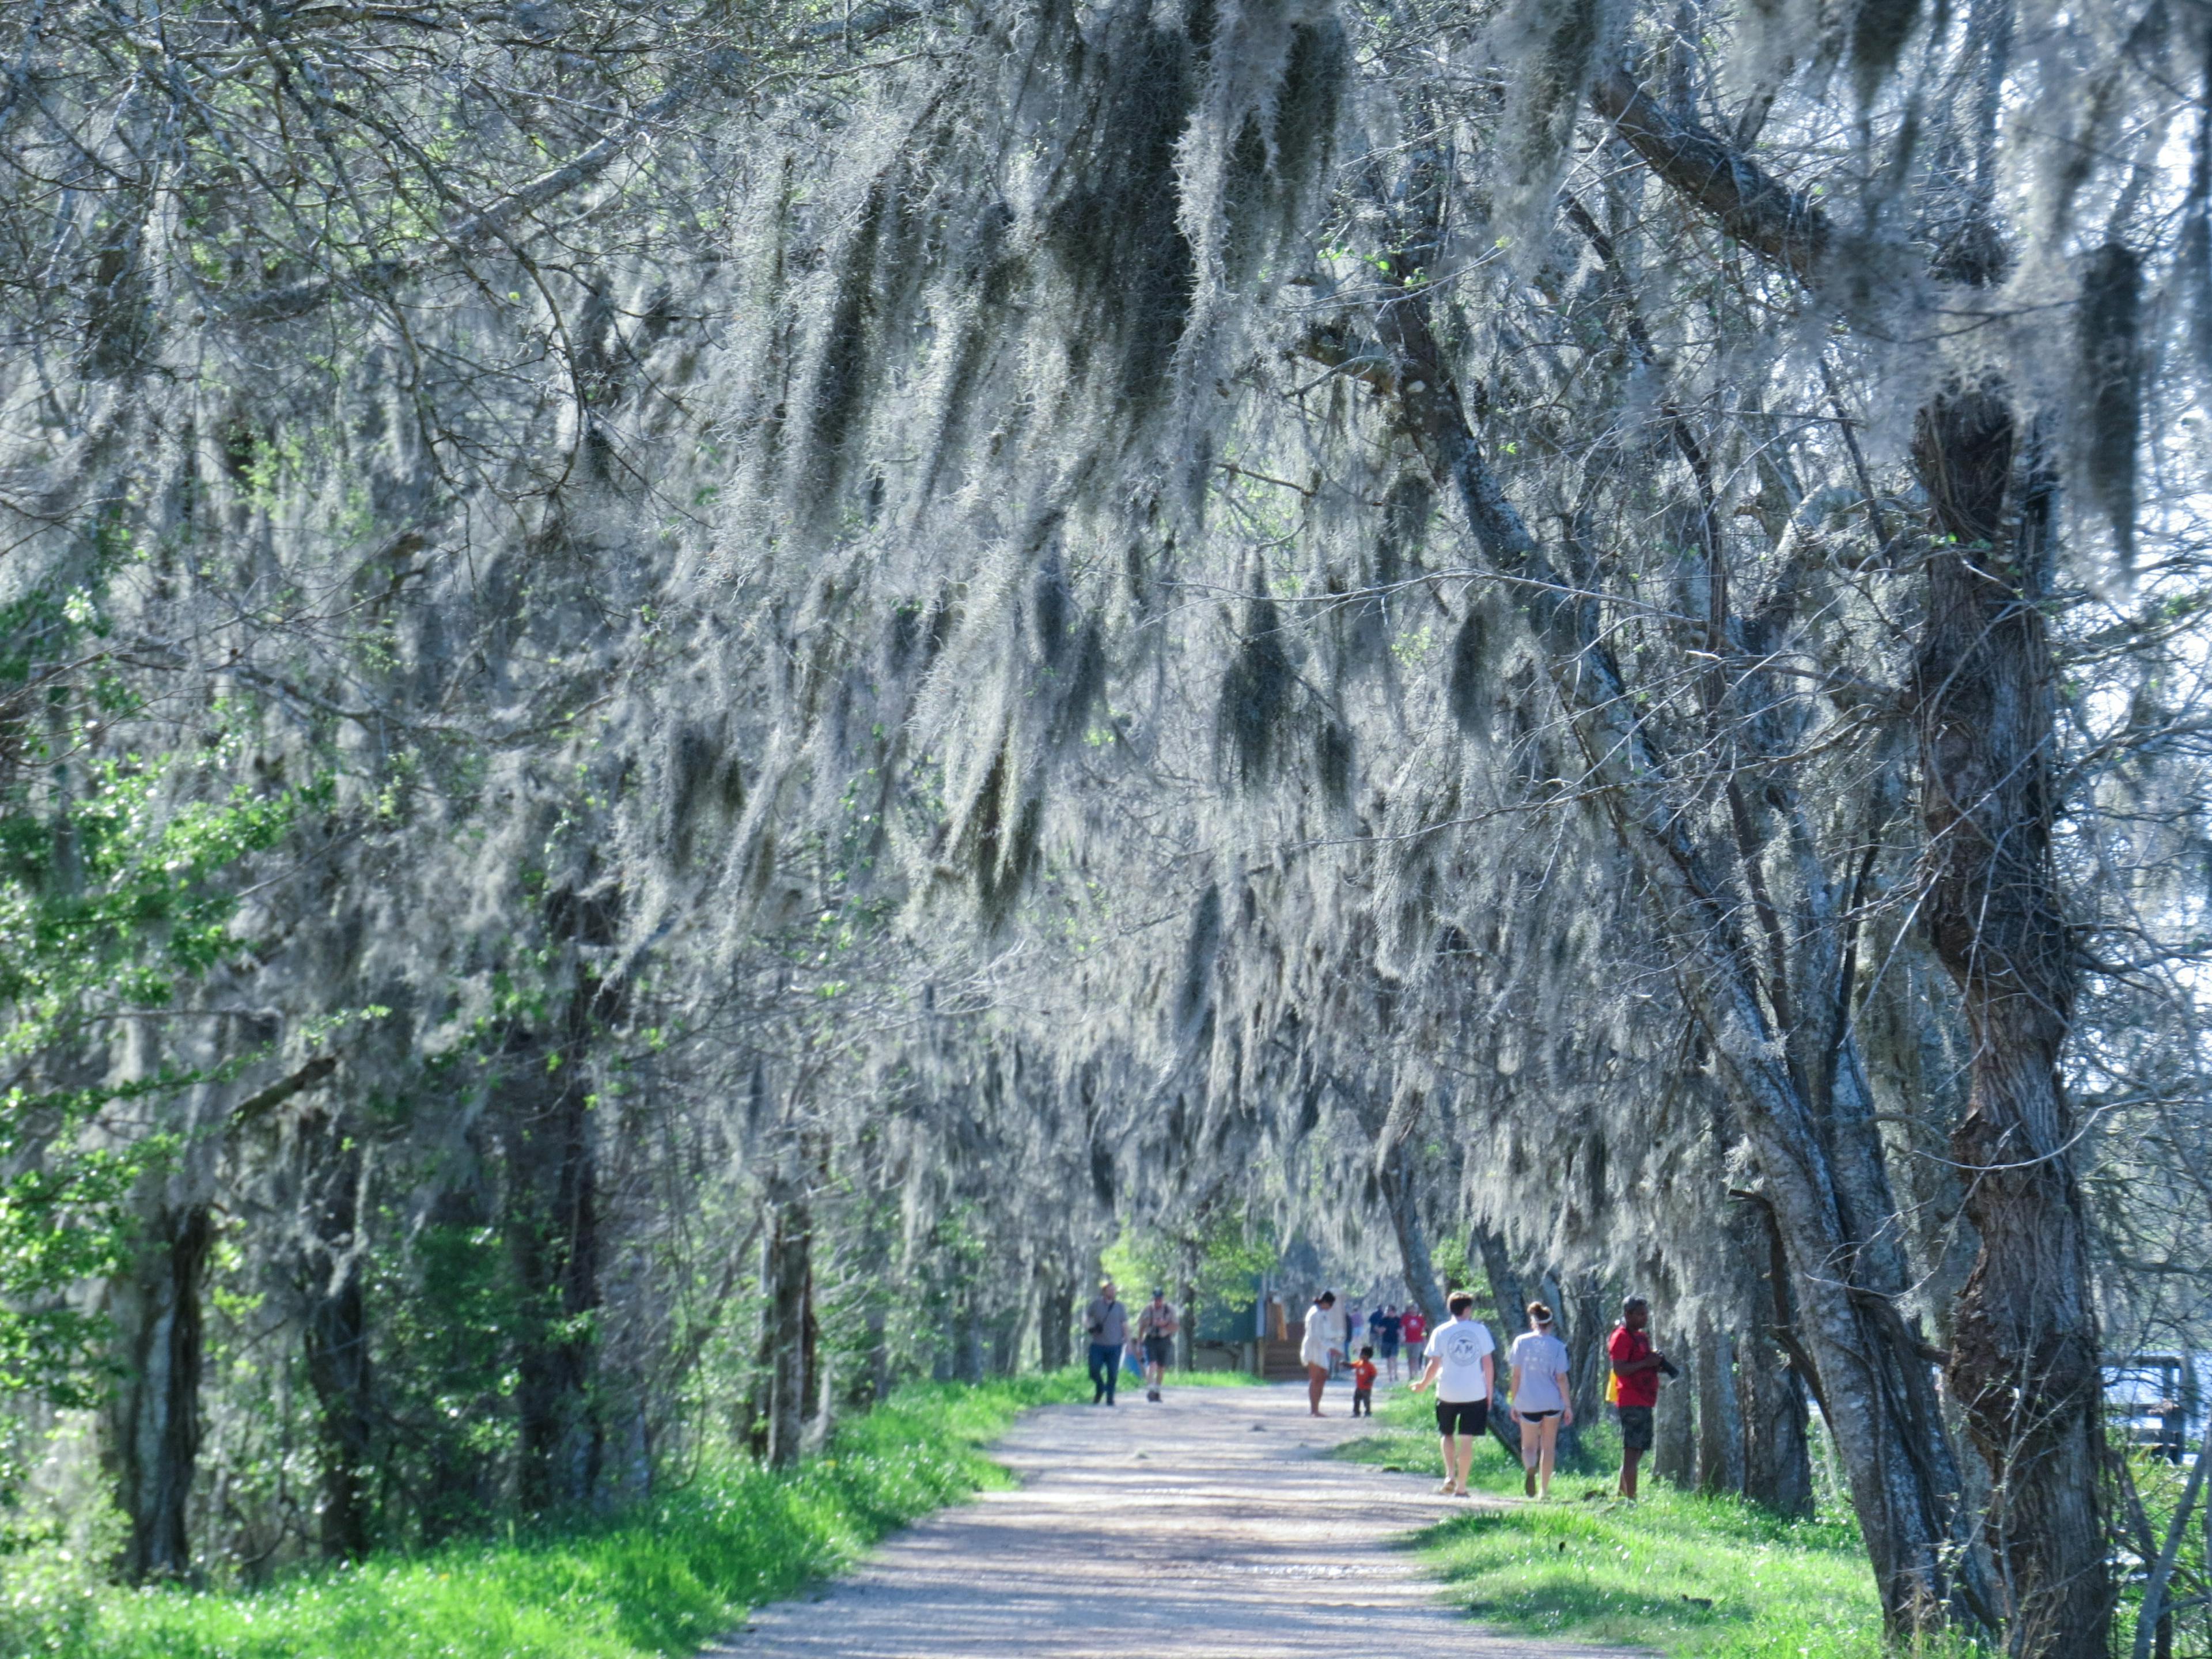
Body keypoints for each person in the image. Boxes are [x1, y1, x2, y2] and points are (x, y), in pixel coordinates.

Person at [1410, 1290, 1495, 1497]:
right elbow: (1488, 1364)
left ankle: (1450, 1475)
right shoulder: (1480, 1331)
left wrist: (1423, 1384)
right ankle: (1462, 1487)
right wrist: (1489, 1392)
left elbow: (1434, 1364)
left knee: (1447, 1434)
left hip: (1447, 1391)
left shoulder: (1440, 1331)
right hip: (1474, 1393)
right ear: (1467, 1309)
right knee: (1467, 1439)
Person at [1508, 1300, 1574, 1499]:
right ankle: (1544, 1492)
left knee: (1528, 1447)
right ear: (1551, 1324)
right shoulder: (1558, 1347)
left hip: (1528, 1401)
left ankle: (1530, 1468)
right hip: (1552, 1402)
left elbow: (1516, 1375)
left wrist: (1514, 1400)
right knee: (1548, 1447)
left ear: (1533, 1322)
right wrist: (1568, 1406)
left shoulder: (1521, 1342)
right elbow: (1561, 1378)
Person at [1607, 1295, 1671, 1498]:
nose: (1645, 1318)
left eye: (1646, 1314)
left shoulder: (1642, 1337)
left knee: (1639, 1451)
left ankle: (1622, 1494)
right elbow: (1620, 1369)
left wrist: (1655, 1363)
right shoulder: (1621, 1337)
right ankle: (1631, 1500)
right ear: (1628, 1315)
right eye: (1640, 1314)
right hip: (1631, 1401)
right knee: (1631, 1452)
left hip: (1646, 1400)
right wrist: (1645, 1363)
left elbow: (1642, 1363)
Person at [1084, 1279, 1128, 1406]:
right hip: (1098, 1345)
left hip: (1115, 1345)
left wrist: (1128, 1342)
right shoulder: (1096, 1304)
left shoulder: (1120, 1307)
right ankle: (1100, 1387)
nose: (1112, 1292)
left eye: (1114, 1290)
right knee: (1094, 1370)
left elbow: (1125, 1325)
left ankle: (1110, 1398)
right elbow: (1086, 1317)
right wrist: (1090, 1327)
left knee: (1113, 1373)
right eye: (1110, 1290)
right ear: (1104, 1291)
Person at [1300, 1290, 1343, 1415]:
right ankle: (1314, 1410)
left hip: (1321, 1349)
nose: (1330, 1308)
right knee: (1315, 1378)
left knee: (1322, 1377)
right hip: (1313, 1348)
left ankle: (1317, 1408)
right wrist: (1330, 1348)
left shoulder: (1321, 1314)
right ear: (1325, 1303)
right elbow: (1315, 1336)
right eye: (1330, 1305)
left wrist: (1333, 1344)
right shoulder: (1315, 1314)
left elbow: (1325, 1333)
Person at [1137, 1287, 1179, 1403]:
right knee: (1152, 1364)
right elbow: (1141, 1327)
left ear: (1163, 1299)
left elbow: (1176, 1327)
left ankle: (1157, 1391)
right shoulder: (1147, 1309)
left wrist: (1165, 1324)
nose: (1158, 1302)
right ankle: (1151, 1390)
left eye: (1160, 1299)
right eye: (1156, 1299)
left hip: (1164, 1339)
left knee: (1161, 1367)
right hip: (1150, 1339)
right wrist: (1139, 1344)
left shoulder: (1169, 1310)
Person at [1399, 1302, 1426, 1381]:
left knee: (1416, 1358)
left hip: (1418, 1341)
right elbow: (1403, 1329)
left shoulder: (1420, 1319)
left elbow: (1423, 1330)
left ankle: (1416, 1374)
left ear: (1417, 1309)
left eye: (1415, 1308)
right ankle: (1411, 1375)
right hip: (1409, 1341)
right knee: (1410, 1358)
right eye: (1412, 1308)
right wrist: (1402, 1336)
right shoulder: (1406, 1318)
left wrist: (1424, 1340)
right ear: (1409, 1309)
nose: (1413, 1310)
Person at [1376, 1305, 1403, 1380]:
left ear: (1394, 1311)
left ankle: (1396, 1374)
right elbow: (1378, 1329)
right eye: (1387, 1311)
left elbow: (1401, 1329)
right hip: (1386, 1341)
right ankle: (1390, 1375)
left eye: (1390, 1311)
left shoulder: (1398, 1319)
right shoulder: (1384, 1320)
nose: (1388, 1312)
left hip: (1395, 1341)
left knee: (1393, 1358)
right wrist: (1381, 1330)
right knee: (1388, 1359)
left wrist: (1401, 1336)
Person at [1350, 1345, 1378, 1416]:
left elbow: (1374, 1375)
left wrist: (1370, 1380)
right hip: (1359, 1387)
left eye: (1363, 1355)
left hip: (1367, 1388)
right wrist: (1344, 1364)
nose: (1361, 1356)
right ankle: (1356, 1412)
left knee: (1367, 1401)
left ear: (1368, 1357)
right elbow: (1352, 1366)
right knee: (1356, 1400)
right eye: (1361, 1354)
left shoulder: (1370, 1366)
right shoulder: (1359, 1363)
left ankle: (1368, 1412)